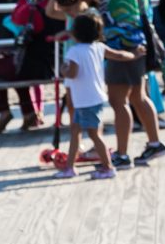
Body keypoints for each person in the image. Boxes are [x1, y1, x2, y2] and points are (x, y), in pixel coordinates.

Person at [66, 0, 165, 170]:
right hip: (138, 40)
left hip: (119, 42)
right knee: (138, 96)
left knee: (119, 101)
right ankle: (155, 143)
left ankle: (122, 155)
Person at [58, 14, 144, 180]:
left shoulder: (73, 51)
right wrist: (134, 54)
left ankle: (108, 167)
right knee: (77, 131)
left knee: (92, 134)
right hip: (95, 98)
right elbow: (119, 55)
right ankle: (70, 167)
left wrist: (63, 70)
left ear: (75, 33)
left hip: (83, 100)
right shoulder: (99, 47)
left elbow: (73, 73)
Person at [0, 0, 65, 134]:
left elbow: (15, 17)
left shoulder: (35, 11)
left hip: (35, 67)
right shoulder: (69, 11)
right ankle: (29, 112)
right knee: (17, 72)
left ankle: (4, 111)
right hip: (59, 66)